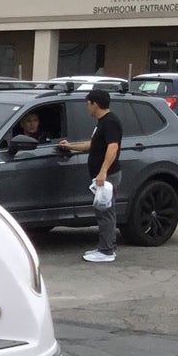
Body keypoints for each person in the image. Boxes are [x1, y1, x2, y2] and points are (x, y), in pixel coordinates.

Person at [58, 89, 122, 262]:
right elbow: (92, 145)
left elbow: (112, 147)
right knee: (106, 210)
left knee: (105, 211)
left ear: (95, 103)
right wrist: (70, 146)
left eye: (88, 103)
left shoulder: (110, 122)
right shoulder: (102, 122)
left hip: (107, 176)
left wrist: (103, 172)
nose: (87, 107)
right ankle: (108, 245)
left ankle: (106, 251)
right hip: (101, 176)